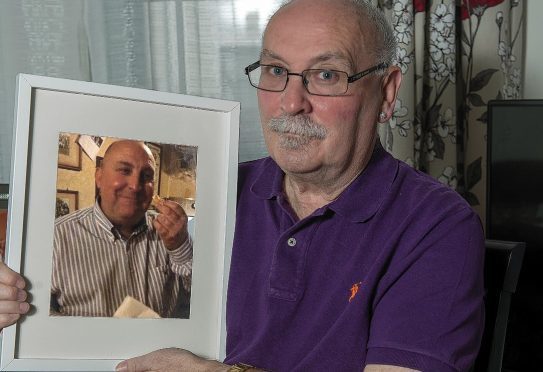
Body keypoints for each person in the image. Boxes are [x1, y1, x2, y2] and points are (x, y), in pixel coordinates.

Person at [0, 0, 484, 370]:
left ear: (387, 92)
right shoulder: (220, 190)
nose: (290, 103)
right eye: (275, 71)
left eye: (325, 74)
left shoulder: (437, 225)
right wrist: (17, 311)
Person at [51, 139, 192, 318]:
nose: (135, 186)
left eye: (147, 175)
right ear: (99, 177)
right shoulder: (56, 237)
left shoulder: (173, 235)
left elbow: (202, 302)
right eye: (124, 171)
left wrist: (180, 247)